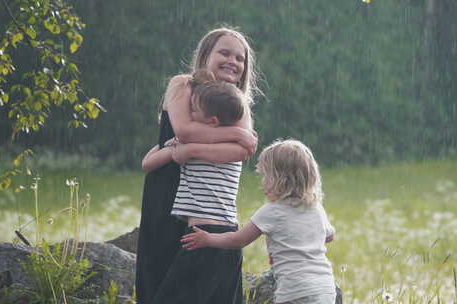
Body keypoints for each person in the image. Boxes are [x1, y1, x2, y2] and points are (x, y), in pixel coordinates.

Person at [136, 27, 260, 304]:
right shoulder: (183, 85)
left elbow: (243, 151)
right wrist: (235, 132)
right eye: (224, 53)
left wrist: (234, 139)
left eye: (240, 58)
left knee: (202, 287)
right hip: (166, 192)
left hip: (208, 205)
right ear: (206, 55)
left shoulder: (237, 104)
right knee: (159, 273)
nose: (233, 61)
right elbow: (185, 130)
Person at [181, 139, 337, 304]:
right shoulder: (316, 208)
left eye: (265, 177)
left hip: (294, 290)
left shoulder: (272, 211)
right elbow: (329, 236)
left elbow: (238, 240)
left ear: (280, 179)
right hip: (325, 288)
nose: (262, 183)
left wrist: (207, 238)